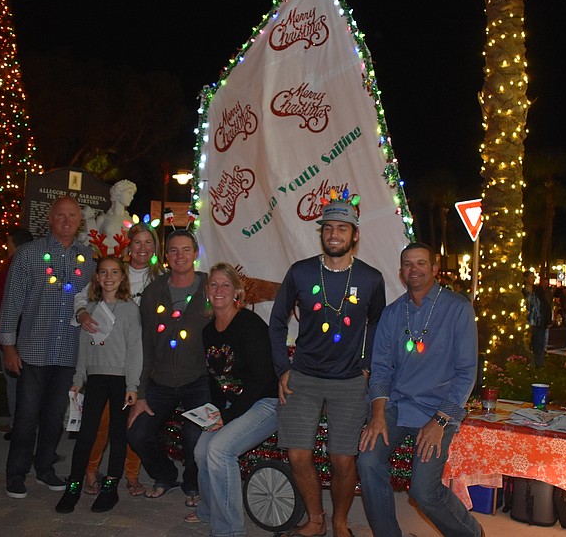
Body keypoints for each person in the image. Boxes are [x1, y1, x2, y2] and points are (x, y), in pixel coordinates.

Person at [270, 196, 386, 537]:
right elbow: (277, 322)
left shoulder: (370, 278)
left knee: (343, 460)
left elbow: (378, 324)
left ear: (354, 235)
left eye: (343, 228)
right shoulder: (300, 271)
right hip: (302, 378)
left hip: (349, 382)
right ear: (322, 233)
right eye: (329, 228)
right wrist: (282, 368)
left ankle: (339, 522)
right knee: (298, 456)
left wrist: (366, 366)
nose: (334, 234)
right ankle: (316, 519)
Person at [357, 242, 483, 537]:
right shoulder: (392, 313)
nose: (414, 270)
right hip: (397, 406)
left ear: (435, 269)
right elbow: (381, 368)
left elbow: (467, 374)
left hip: (440, 409)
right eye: (408, 264)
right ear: (401, 272)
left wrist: (440, 420)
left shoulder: (458, 308)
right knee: (367, 459)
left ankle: (471, 533)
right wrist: (376, 413)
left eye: (421, 263)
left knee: (423, 492)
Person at [0, 195, 95, 499]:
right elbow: (11, 303)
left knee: (55, 416)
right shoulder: (29, 254)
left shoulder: (89, 258)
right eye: (61, 215)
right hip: (33, 351)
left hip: (69, 352)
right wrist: (8, 347)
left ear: (79, 221)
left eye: (72, 216)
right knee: (26, 416)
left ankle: (45, 468)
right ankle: (16, 473)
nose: (66, 220)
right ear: (50, 219)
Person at [185, 262, 279, 534]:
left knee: (219, 450)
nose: (219, 289)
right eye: (213, 284)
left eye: (226, 284)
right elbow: (215, 380)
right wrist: (213, 412)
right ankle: (209, 510)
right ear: (206, 291)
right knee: (201, 450)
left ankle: (230, 530)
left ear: (237, 291)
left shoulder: (250, 325)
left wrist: (226, 416)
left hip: (265, 403)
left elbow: (261, 380)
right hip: (232, 404)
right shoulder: (208, 331)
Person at [74, 223, 162, 497]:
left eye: (149, 242)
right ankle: (90, 470)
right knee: (101, 422)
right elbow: (82, 295)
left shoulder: (161, 278)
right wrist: (82, 313)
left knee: (133, 420)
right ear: (129, 246)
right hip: (111, 360)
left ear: (155, 248)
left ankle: (132, 476)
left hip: (147, 357)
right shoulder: (114, 273)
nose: (143, 248)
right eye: (138, 242)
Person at [127, 229, 211, 504]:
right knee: (137, 432)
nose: (180, 256)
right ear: (165, 256)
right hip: (160, 380)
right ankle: (164, 474)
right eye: (173, 250)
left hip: (199, 380)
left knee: (194, 435)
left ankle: (192, 484)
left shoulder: (210, 288)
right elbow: (146, 345)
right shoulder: (154, 292)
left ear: (196, 253)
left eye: (186, 249)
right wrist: (141, 394)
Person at [55, 256, 143, 514]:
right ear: (97, 277)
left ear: (122, 277)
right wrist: (77, 379)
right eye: (103, 272)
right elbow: (83, 347)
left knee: (118, 435)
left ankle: (110, 488)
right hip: (95, 379)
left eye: (114, 272)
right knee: (86, 435)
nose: (109, 277)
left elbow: (135, 349)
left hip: (120, 381)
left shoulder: (129, 309)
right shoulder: (89, 309)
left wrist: (133, 384)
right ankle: (74, 485)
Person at [0, 227, 34, 438]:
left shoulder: (16, 265)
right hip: (18, 330)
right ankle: (19, 422)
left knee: (17, 382)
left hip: (17, 331)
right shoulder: (28, 264)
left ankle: (19, 424)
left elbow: (5, 302)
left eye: (8, 243)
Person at [83, 179, 137, 254]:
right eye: (129, 193)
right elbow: (94, 242)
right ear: (119, 193)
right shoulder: (103, 219)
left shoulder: (131, 222)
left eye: (132, 195)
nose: (132, 197)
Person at [522, 270, 552, 367]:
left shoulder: (538, 290)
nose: (533, 279)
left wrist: (548, 319)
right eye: (531, 277)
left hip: (538, 322)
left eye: (533, 277)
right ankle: (527, 364)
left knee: (539, 345)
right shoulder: (522, 291)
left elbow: (545, 305)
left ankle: (539, 365)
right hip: (526, 322)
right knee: (526, 345)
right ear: (525, 279)